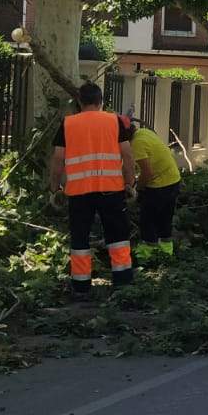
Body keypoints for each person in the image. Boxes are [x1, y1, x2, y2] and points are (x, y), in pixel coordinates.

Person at [50, 82, 137, 299]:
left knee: (80, 237)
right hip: (111, 189)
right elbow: (127, 155)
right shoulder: (115, 121)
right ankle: (122, 283)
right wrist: (130, 183)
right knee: (117, 236)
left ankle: (81, 286)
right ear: (101, 101)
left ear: (79, 102)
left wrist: (55, 188)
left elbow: (58, 159)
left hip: (79, 192)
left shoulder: (68, 123)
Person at [129, 116, 182, 261]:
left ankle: (148, 252)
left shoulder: (136, 144)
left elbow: (147, 173)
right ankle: (166, 252)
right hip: (173, 179)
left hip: (160, 185)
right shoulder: (144, 133)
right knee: (165, 218)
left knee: (147, 219)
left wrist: (138, 189)